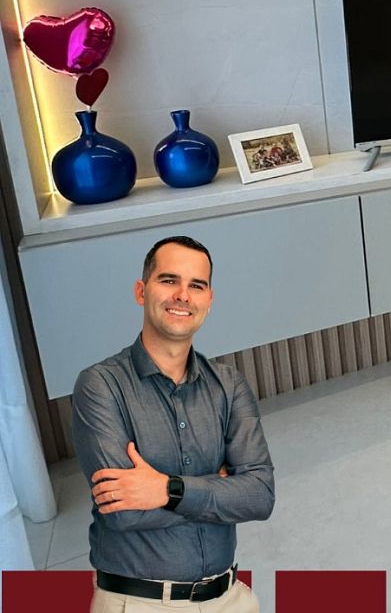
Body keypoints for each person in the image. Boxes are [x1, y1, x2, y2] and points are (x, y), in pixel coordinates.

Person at [71, 235, 274, 612]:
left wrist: (167, 489)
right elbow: (124, 509)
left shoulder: (229, 385)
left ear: (209, 300)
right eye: (169, 280)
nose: (183, 295)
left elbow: (259, 495)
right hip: (138, 602)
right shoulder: (100, 385)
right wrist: (219, 487)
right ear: (141, 291)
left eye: (196, 285)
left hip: (230, 598)